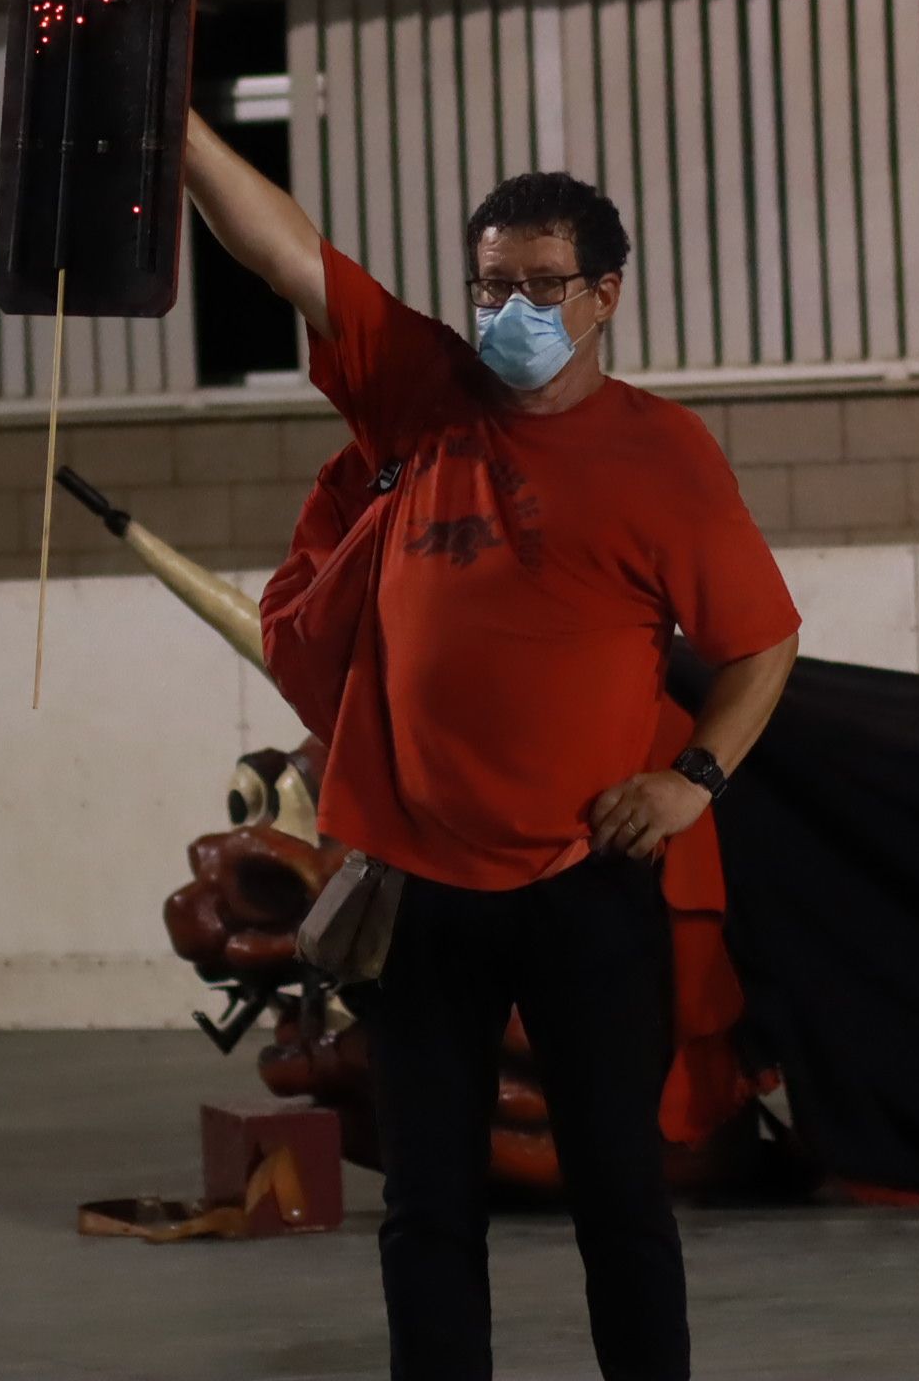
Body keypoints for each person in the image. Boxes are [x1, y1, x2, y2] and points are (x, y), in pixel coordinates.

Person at [182, 114, 799, 1381]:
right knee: (428, 1205)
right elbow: (288, 256)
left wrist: (692, 783)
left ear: (606, 295)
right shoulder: (423, 397)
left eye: (541, 285)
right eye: (491, 284)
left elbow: (761, 643)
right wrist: (169, 126)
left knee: (621, 1200)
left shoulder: (663, 456)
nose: (510, 308)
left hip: (587, 888)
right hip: (418, 892)